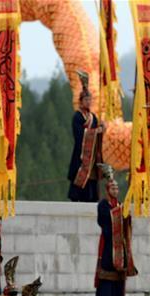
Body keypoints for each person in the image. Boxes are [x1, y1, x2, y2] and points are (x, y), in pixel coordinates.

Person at [94, 164, 137, 296]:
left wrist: (126, 216)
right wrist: (119, 214)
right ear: (108, 189)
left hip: (119, 246)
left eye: (117, 188)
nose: (116, 190)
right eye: (113, 188)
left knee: (118, 283)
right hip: (108, 244)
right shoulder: (103, 205)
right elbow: (103, 220)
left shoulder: (119, 205)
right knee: (108, 272)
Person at [67, 72, 101, 203]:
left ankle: (91, 197)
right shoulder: (77, 116)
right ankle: (77, 196)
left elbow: (97, 131)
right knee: (79, 172)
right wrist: (94, 132)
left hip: (91, 153)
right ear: (81, 101)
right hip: (81, 152)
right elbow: (79, 134)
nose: (89, 102)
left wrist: (101, 130)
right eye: (86, 100)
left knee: (91, 177)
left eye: (90, 100)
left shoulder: (93, 117)